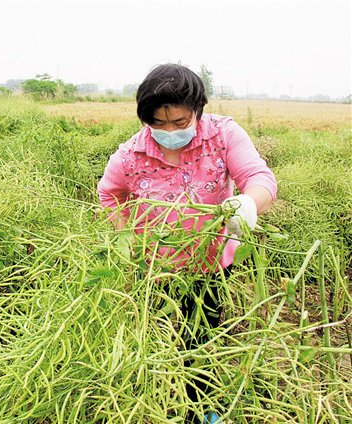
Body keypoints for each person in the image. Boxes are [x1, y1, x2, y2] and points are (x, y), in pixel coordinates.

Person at [97, 64, 277, 423]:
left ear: (197, 110)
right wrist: (124, 239)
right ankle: (154, 404)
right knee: (157, 341)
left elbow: (259, 178)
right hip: (153, 272)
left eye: (179, 123)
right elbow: (108, 195)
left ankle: (200, 409)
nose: (169, 131)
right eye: (158, 124)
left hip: (210, 266)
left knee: (201, 342)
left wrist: (248, 203)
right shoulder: (131, 153)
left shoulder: (223, 135)